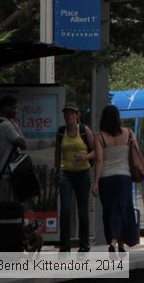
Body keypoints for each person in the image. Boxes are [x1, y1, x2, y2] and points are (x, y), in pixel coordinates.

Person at [92, 105, 139, 256]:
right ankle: (117, 243)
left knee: (110, 210)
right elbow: (136, 153)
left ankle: (116, 243)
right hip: (124, 177)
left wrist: (96, 182)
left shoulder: (99, 137)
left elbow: (99, 160)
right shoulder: (129, 133)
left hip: (106, 178)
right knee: (122, 209)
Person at [54, 103, 95, 253]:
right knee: (65, 209)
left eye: (72, 113)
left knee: (82, 210)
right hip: (66, 174)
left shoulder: (84, 131)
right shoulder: (60, 132)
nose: (69, 116)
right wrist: (57, 171)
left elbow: (96, 152)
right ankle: (65, 245)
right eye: (66, 113)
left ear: (77, 115)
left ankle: (84, 245)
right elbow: (57, 153)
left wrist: (84, 156)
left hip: (83, 173)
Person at [0, 95, 27, 202]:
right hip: (6, 172)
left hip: (2, 170)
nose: (16, 111)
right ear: (5, 108)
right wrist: (17, 128)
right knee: (8, 204)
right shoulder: (6, 126)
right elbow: (23, 144)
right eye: (14, 108)